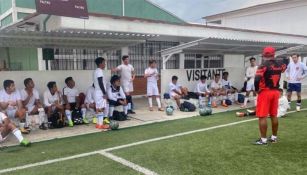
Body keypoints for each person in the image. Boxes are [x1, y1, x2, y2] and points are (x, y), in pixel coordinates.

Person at [253, 46, 286, 145]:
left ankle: (263, 140)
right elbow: (284, 67)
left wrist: (256, 90)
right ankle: (274, 137)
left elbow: (257, 79)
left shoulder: (262, 65)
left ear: (264, 55)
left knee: (262, 116)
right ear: (273, 54)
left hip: (265, 92)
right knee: (273, 115)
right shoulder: (280, 64)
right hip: (276, 92)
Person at [93, 57, 109, 129]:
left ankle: (98, 124)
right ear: (100, 64)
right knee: (101, 108)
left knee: (99, 108)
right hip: (100, 92)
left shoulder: (96, 71)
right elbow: (100, 82)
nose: (105, 64)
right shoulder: (99, 71)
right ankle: (100, 124)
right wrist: (104, 93)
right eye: (104, 62)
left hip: (97, 92)